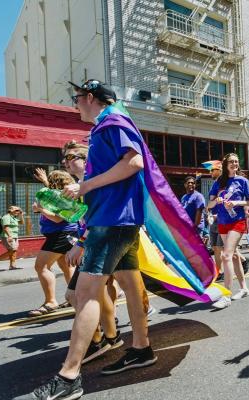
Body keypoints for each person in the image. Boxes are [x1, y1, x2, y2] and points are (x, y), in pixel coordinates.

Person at [16, 79, 156, 400]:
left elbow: (134, 162)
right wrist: (82, 191)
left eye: (76, 98)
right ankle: (141, 348)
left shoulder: (112, 122)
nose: (75, 104)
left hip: (111, 220)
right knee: (130, 286)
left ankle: (69, 377)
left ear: (89, 97)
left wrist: (85, 186)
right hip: (114, 218)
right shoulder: (105, 126)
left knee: (85, 293)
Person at [58, 141, 122, 365]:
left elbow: (99, 218)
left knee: (76, 295)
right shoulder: (81, 184)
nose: (66, 162)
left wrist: (82, 244)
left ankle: (98, 339)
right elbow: (81, 218)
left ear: (86, 160)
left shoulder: (91, 183)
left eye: (71, 157)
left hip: (100, 242)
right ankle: (110, 336)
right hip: (95, 242)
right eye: (64, 159)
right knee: (96, 292)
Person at [28, 170, 78, 316]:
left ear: (56, 182)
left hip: (61, 234)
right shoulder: (62, 194)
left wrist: (40, 209)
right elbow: (53, 193)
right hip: (65, 234)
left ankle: (50, 302)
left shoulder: (64, 196)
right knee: (66, 266)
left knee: (41, 266)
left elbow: (58, 219)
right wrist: (45, 181)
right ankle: (75, 298)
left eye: (51, 180)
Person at [208, 153, 249, 309]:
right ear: (225, 164)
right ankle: (244, 288)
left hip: (237, 221)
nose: (235, 163)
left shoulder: (243, 181)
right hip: (222, 222)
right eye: (231, 161)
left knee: (226, 255)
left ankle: (226, 295)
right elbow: (209, 205)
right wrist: (217, 201)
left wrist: (236, 202)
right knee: (234, 255)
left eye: (236, 161)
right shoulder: (219, 182)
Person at [0, 206, 24, 271]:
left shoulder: (13, 218)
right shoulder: (6, 217)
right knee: (12, 250)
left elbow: (21, 223)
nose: (18, 212)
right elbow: (5, 227)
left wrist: (21, 215)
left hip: (15, 236)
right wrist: (9, 236)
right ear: (11, 210)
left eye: (19, 211)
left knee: (14, 251)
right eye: (17, 210)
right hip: (7, 236)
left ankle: (12, 266)